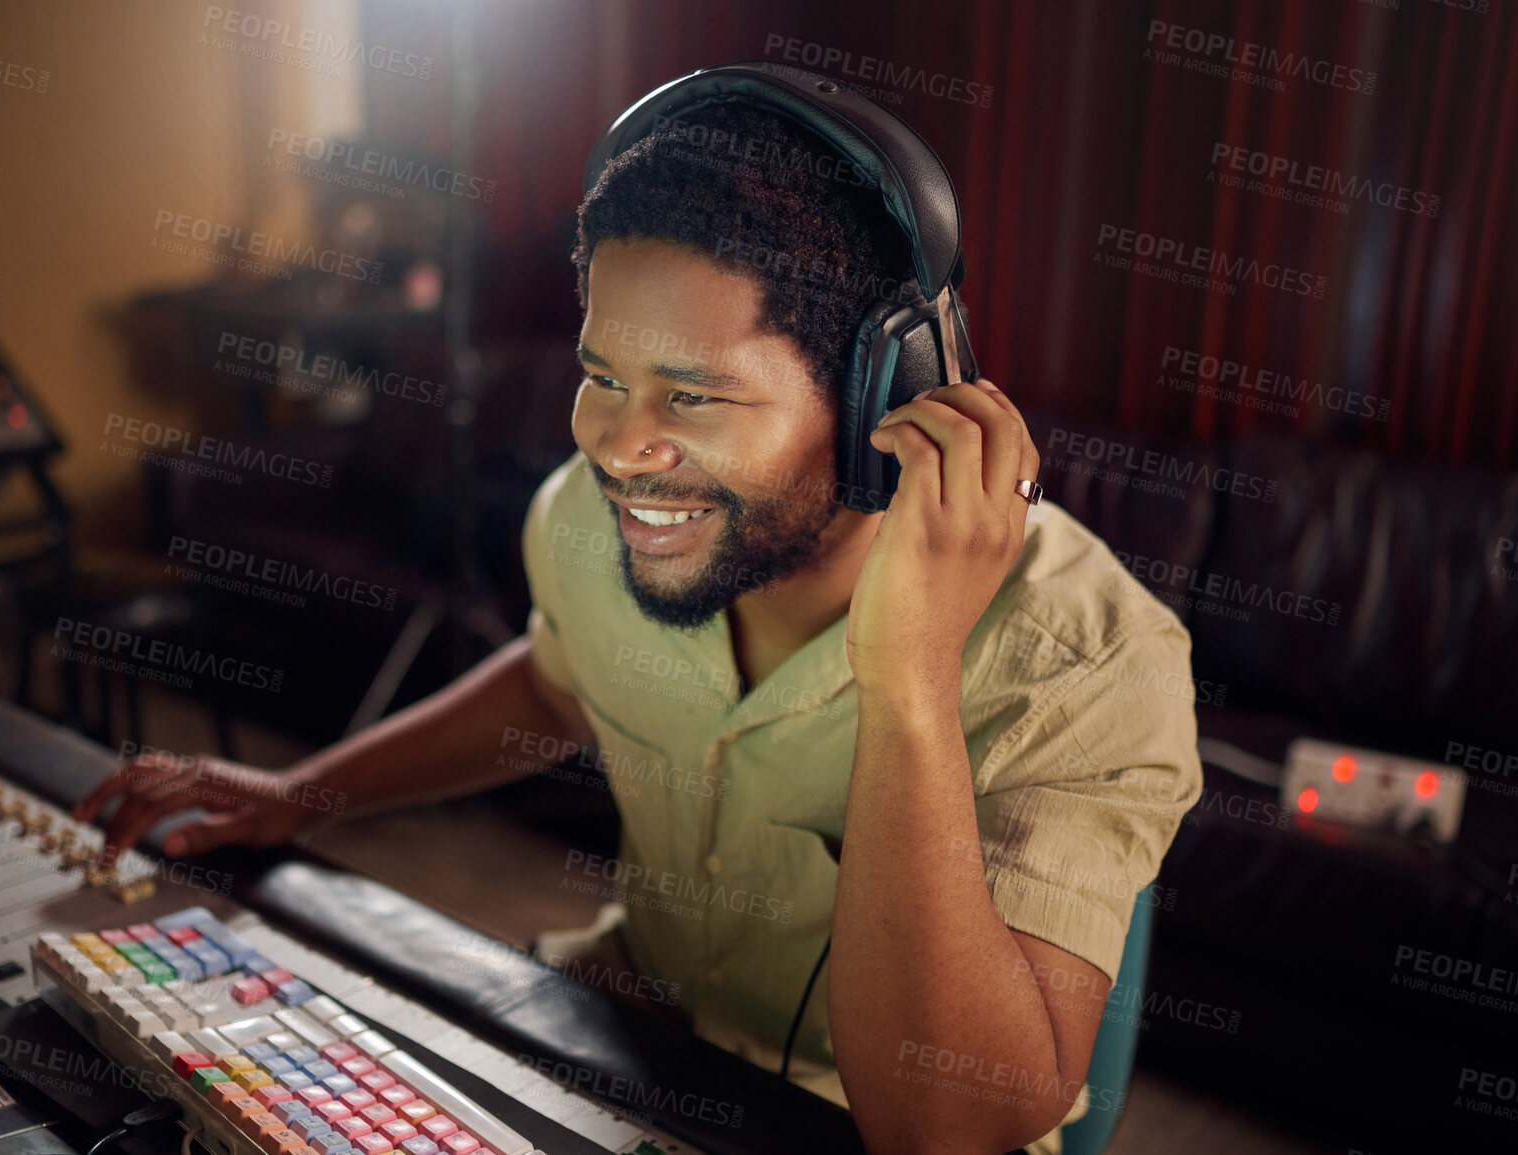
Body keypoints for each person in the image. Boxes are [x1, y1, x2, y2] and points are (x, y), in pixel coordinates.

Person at [75, 99, 1201, 1155]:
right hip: (632, 1015)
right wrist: (298, 793)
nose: (619, 446)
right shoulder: (589, 515)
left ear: (881, 403)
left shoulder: (1092, 657)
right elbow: (559, 681)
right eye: (602, 374)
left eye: (692, 394)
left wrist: (907, 681)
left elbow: (946, 1127)